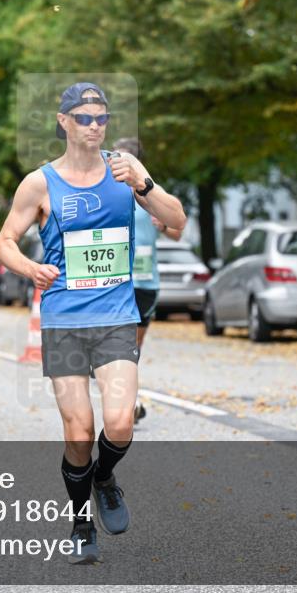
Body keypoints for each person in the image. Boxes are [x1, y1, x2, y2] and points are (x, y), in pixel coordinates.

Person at [0, 83, 186, 564]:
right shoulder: (39, 183)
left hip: (118, 314)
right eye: (84, 117)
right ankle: (81, 521)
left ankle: (104, 477)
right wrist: (29, 268)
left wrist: (144, 182)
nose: (95, 126)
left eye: (101, 117)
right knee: (78, 430)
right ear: (63, 121)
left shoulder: (124, 173)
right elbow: (5, 242)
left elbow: (177, 220)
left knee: (120, 424)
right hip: (64, 319)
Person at [112, 138, 185, 424]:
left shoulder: (151, 193)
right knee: (116, 345)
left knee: (131, 348)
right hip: (115, 281)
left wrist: (163, 224)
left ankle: (128, 402)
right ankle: (126, 401)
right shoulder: (108, 192)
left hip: (144, 282)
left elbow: (178, 231)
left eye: (125, 158)